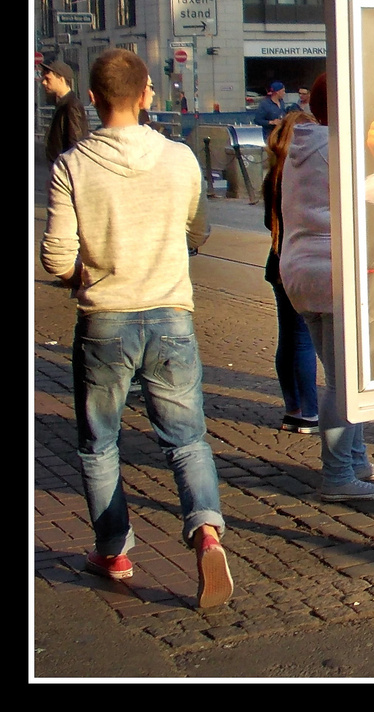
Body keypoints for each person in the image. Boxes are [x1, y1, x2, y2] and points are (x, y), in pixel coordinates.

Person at [41, 48, 233, 608]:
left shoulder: (72, 166)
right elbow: (198, 233)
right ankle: (206, 533)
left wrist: (91, 272)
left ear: (95, 99)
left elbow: (55, 259)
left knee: (100, 445)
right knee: (187, 439)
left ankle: (114, 550)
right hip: (171, 314)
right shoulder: (180, 160)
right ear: (147, 94)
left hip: (105, 319)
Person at [281, 74, 374, 501]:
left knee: (344, 373)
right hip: (335, 274)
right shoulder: (342, 150)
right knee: (346, 382)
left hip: (300, 270)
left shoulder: (302, 144)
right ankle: (337, 476)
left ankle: (356, 459)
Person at [264, 110, 320, 434]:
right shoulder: (304, 174)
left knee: (288, 338)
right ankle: (310, 412)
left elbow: (267, 222)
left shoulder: (274, 172)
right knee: (303, 341)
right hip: (301, 264)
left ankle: (293, 408)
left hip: (277, 261)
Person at [42, 59, 89, 164]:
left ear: (61, 79)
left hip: (66, 172)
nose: (44, 82)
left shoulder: (71, 105)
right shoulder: (63, 103)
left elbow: (76, 145)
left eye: (48, 79)